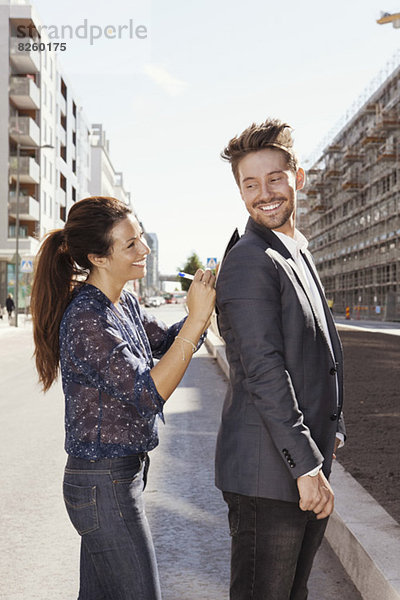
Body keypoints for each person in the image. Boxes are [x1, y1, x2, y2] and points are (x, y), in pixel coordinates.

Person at [30, 196, 215, 600]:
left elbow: (168, 344)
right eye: (130, 244)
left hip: (115, 478)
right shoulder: (86, 319)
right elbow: (149, 393)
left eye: (142, 238)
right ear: (98, 257)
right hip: (102, 484)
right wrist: (198, 318)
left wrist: (207, 304)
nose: (144, 249)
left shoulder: (123, 302)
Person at [215, 119, 345, 600]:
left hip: (298, 464)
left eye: (274, 178)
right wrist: (306, 467)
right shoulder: (251, 258)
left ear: (299, 177)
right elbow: (264, 371)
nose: (264, 193)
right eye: (250, 184)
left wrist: (334, 427)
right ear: (240, 191)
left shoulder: (294, 251)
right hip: (268, 477)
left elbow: (322, 352)